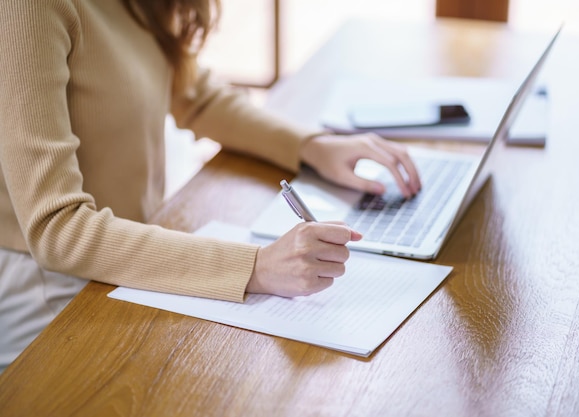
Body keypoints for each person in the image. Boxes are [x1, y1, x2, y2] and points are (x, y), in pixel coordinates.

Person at [0, 0, 420, 372]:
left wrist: (313, 146)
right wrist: (256, 267)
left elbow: (195, 95)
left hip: (128, 258)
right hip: (51, 290)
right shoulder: (26, 10)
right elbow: (56, 229)